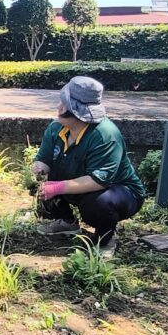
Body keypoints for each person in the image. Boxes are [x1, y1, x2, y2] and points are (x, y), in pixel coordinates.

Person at [31, 76, 145, 258]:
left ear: (77, 112)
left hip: (117, 192)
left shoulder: (105, 135)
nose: (59, 108)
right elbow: (43, 158)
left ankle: (105, 237)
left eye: (64, 104)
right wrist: (39, 170)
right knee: (42, 183)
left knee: (98, 203)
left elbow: (99, 180)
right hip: (78, 185)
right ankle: (67, 222)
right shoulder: (55, 128)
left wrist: (59, 187)